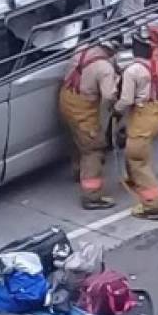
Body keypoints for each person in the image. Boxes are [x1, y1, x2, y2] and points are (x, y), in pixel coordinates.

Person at [58, 39, 120, 209]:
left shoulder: (83, 48)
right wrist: (116, 106)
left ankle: (78, 171)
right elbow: (108, 96)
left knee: (77, 138)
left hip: (66, 98)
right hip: (83, 108)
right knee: (93, 148)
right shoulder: (105, 68)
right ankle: (92, 196)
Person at [114, 29, 158, 220]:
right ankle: (133, 179)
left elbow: (127, 100)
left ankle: (152, 205)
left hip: (143, 115)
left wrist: (116, 110)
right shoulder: (157, 65)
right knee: (137, 147)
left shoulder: (133, 71)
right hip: (157, 112)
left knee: (137, 157)